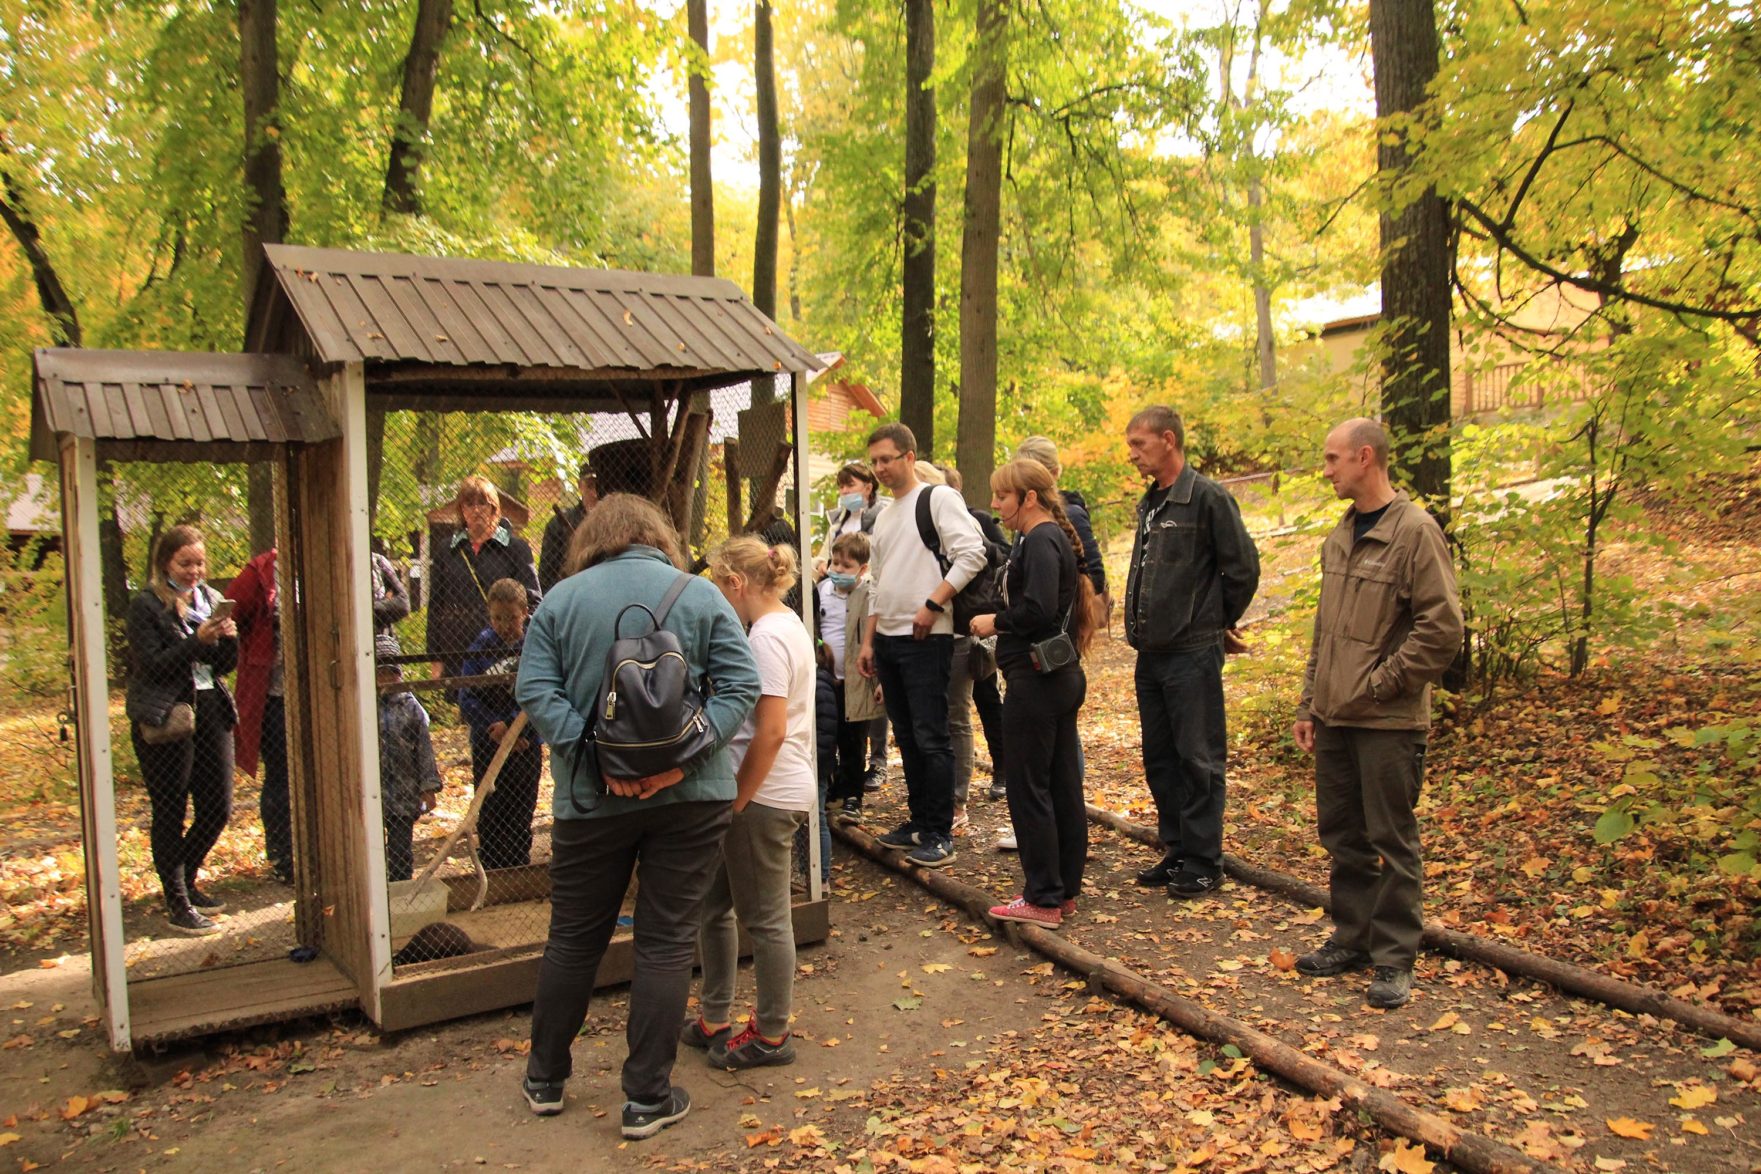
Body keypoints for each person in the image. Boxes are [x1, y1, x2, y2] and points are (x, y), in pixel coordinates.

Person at [514, 494, 760, 1139]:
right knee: (666, 940)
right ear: (659, 536)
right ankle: (647, 1097)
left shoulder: (560, 602)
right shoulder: (703, 597)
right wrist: (685, 759)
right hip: (692, 798)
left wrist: (595, 758)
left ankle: (545, 1077)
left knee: (573, 937)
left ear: (593, 538)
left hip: (592, 801)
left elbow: (534, 689)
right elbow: (741, 687)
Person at [1290, 419, 1463, 1010]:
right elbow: (1327, 629)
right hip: (1335, 717)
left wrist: (1382, 684)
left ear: (1366, 458)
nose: (1327, 469)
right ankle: (1353, 938)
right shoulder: (1340, 535)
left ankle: (1393, 958)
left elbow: (1442, 630)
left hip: (1387, 721)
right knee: (1342, 834)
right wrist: (1311, 701)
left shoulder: (1415, 532)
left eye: (1334, 458)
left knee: (1392, 838)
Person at [682, 536, 814, 1070]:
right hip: (750, 793)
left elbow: (773, 730)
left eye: (718, 584)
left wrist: (738, 800)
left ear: (736, 583)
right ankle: (715, 1015)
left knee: (766, 919)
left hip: (763, 796)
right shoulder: (784, 625)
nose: (716, 595)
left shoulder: (766, 637)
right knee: (713, 905)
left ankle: (773, 1033)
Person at [1123, 406, 1261, 900]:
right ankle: (1177, 847)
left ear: (1168, 439)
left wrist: (1214, 621)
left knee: (1198, 757)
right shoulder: (1152, 502)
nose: (1132, 454)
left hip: (1191, 652)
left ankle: (1205, 859)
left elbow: (1242, 568)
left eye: (1139, 445)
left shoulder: (1207, 498)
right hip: (1150, 653)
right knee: (1160, 757)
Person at [970, 460, 1100, 928]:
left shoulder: (1042, 539)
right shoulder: (1044, 538)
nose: (996, 505)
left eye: (1003, 497)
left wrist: (996, 622)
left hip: (1037, 681)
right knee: (1062, 784)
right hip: (1055, 679)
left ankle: (1042, 896)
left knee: (1030, 788)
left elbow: (1040, 609)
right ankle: (1062, 889)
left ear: (1028, 498)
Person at [856, 423, 987, 870]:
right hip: (889, 639)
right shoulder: (885, 515)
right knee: (907, 734)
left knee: (932, 735)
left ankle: (939, 831)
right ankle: (917, 821)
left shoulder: (937, 499)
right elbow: (877, 581)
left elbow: (973, 552)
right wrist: (868, 640)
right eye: (874, 461)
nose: (880, 468)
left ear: (910, 457)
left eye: (887, 459)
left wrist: (934, 604)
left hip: (926, 638)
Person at [125, 525, 239, 936]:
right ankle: (177, 902)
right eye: (185, 563)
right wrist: (197, 642)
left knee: (218, 807)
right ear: (165, 563)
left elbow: (224, 665)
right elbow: (153, 666)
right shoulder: (146, 605)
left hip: (211, 708)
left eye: (199, 563)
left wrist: (228, 638)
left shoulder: (208, 600)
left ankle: (185, 881)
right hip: (168, 714)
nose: (194, 571)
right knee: (171, 809)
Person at [932, 463, 1008, 830]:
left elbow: (996, 559)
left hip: (966, 632)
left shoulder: (972, 522)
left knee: (964, 713)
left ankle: (959, 798)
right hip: (932, 636)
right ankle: (936, 796)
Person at [459, 579, 544, 871]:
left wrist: (519, 729)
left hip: (525, 744)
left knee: (521, 808)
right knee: (492, 808)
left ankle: (519, 867)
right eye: (497, 618)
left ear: (524, 611)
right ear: (489, 615)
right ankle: (492, 868)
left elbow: (545, 691)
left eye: (511, 618)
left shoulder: (537, 641)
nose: (504, 625)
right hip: (489, 742)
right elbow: (466, 696)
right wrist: (494, 726)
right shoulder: (482, 646)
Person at [426, 475, 541, 692]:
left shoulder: (516, 549)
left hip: (503, 648)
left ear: (494, 508)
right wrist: (436, 658)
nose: (476, 509)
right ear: (461, 510)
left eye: (482, 503)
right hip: (457, 649)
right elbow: (436, 605)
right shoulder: (447, 550)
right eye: (469, 503)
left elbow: (533, 600)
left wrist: (519, 641)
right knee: (469, 708)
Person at [226, 549, 293, 885]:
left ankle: (314, 850)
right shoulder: (261, 572)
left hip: (317, 697)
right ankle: (282, 854)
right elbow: (226, 613)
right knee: (281, 774)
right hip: (274, 694)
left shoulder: (322, 563)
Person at [816, 532, 883, 830]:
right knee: (828, 736)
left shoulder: (869, 594)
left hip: (859, 680)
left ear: (863, 569)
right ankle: (834, 787)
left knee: (854, 740)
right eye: (836, 563)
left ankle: (854, 795)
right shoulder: (822, 591)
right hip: (829, 680)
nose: (839, 570)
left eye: (847, 566)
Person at [375, 634, 442, 883]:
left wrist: (428, 788)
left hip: (404, 793)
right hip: (373, 795)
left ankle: (400, 890)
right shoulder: (363, 705)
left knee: (401, 851)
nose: (386, 679)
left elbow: (424, 750)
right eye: (380, 673)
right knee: (373, 852)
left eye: (391, 672)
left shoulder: (411, 707)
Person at [539, 460, 598, 594]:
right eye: (590, 486)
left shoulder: (616, 523)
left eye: (599, 487)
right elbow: (546, 576)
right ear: (580, 486)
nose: (595, 494)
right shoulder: (558, 524)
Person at [814, 461, 883, 574]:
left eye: (850, 485)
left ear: (868, 488)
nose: (844, 491)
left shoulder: (882, 519)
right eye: (841, 487)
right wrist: (821, 564)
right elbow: (824, 557)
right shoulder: (836, 524)